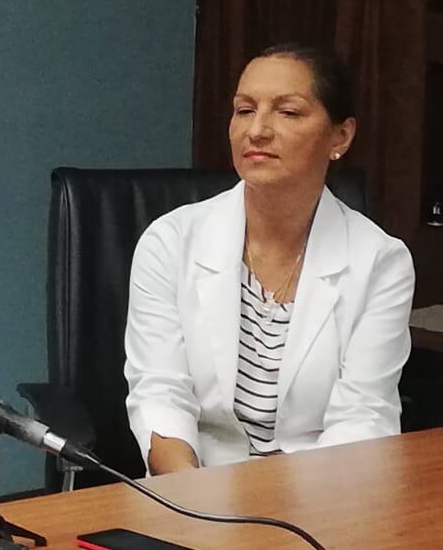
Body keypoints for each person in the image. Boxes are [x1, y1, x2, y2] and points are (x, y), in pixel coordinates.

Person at [125, 44, 415, 474]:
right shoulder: (170, 242)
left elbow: (363, 418)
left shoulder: (381, 262)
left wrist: (283, 509)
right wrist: (190, 496)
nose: (257, 130)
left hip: (322, 491)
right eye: (244, 110)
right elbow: (160, 395)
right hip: (193, 487)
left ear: (340, 137)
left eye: (288, 112)